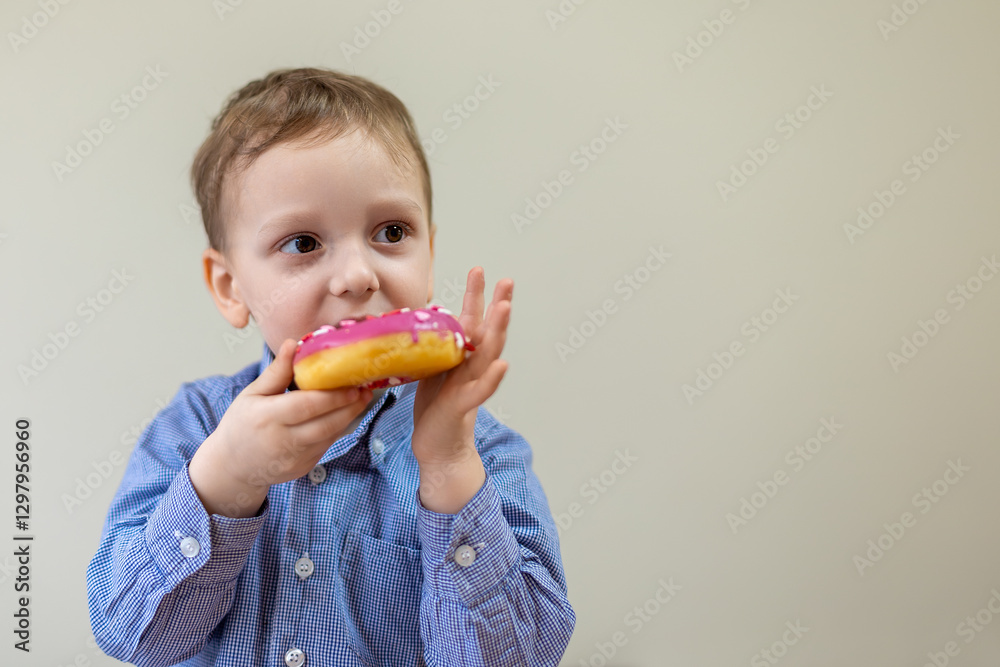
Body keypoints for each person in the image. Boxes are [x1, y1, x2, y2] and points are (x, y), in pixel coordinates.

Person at [86, 67, 575, 666]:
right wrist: (228, 480)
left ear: (430, 250)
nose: (358, 276)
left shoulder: (485, 452)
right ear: (230, 286)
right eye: (303, 243)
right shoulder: (196, 427)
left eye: (391, 232)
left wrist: (447, 469)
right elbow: (131, 634)